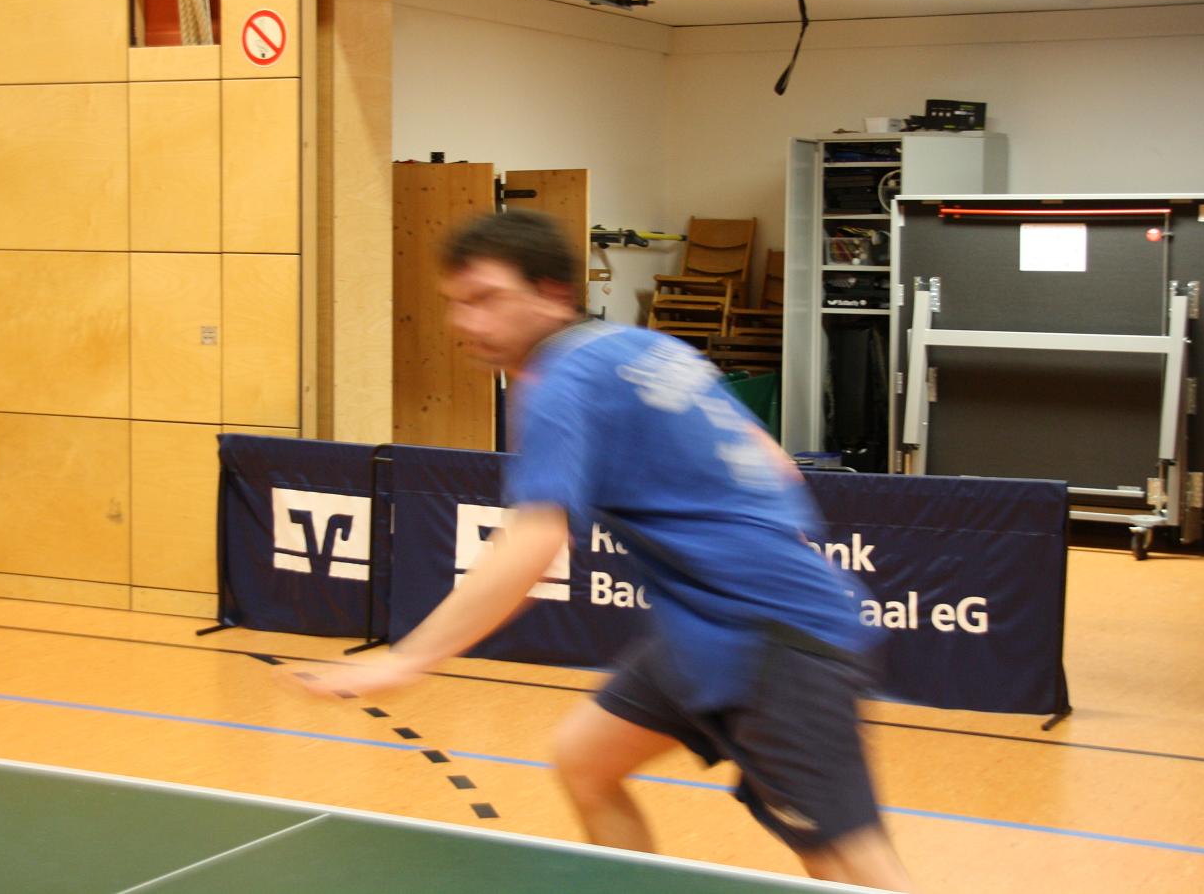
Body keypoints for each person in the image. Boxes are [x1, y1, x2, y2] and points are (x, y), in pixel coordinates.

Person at [297, 210, 912, 890]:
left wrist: (408, 659)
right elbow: (776, 463)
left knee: (848, 865)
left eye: (486, 298)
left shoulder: (558, 381)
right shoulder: (645, 347)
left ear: (552, 292)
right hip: (707, 627)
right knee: (585, 760)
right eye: (456, 302)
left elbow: (535, 541)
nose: (464, 322)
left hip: (773, 638)